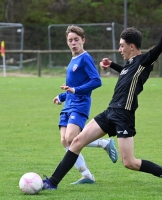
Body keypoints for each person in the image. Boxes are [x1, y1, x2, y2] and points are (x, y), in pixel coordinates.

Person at [42, 2, 162, 190]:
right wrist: (113, 65)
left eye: (122, 46)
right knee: (76, 142)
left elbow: (161, 45)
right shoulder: (130, 65)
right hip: (110, 112)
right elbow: (125, 74)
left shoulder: (143, 61)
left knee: (129, 162)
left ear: (132, 46)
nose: (120, 49)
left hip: (124, 115)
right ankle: (52, 183)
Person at [51, 25, 118, 185]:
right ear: (67, 43)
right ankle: (86, 175)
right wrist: (62, 96)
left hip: (80, 104)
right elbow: (71, 85)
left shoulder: (85, 58)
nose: (73, 43)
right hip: (69, 104)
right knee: (64, 141)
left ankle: (104, 143)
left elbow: (96, 81)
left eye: (76, 40)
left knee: (72, 138)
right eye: (70, 40)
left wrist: (75, 90)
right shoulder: (72, 60)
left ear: (83, 40)